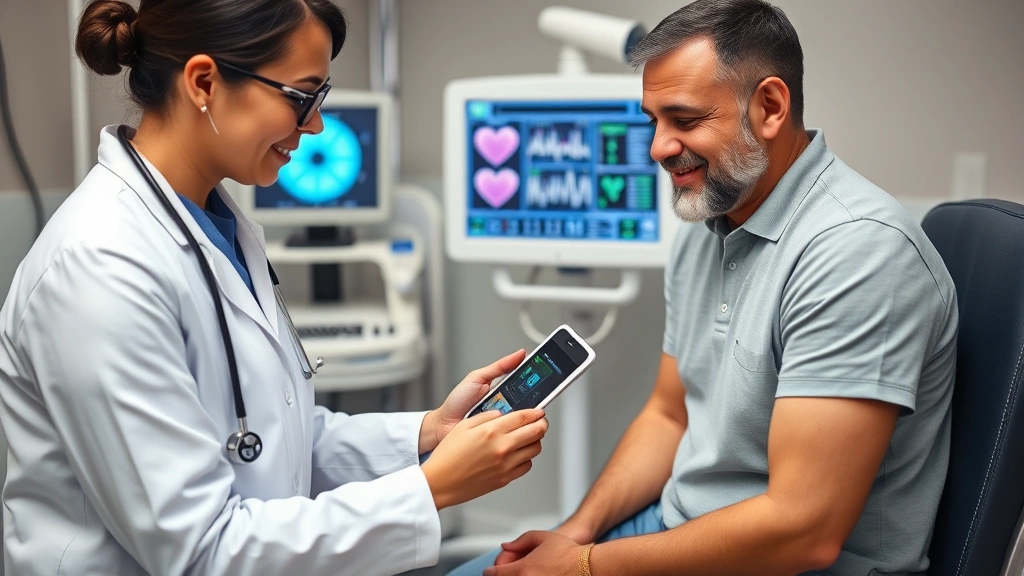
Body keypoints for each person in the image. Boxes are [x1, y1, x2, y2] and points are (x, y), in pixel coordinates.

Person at [0, 1, 549, 574]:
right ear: (204, 82)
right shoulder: (99, 267)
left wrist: (426, 433)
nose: (314, 126)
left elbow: (263, 438)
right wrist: (430, 489)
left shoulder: (219, 226)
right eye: (301, 96)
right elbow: (200, 551)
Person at [449, 1, 958, 575]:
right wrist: (577, 531)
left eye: (685, 121)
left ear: (769, 107)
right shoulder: (709, 217)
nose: (658, 148)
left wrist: (586, 567)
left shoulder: (856, 253)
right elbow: (670, 415)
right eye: (653, 121)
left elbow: (804, 529)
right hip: (676, 530)